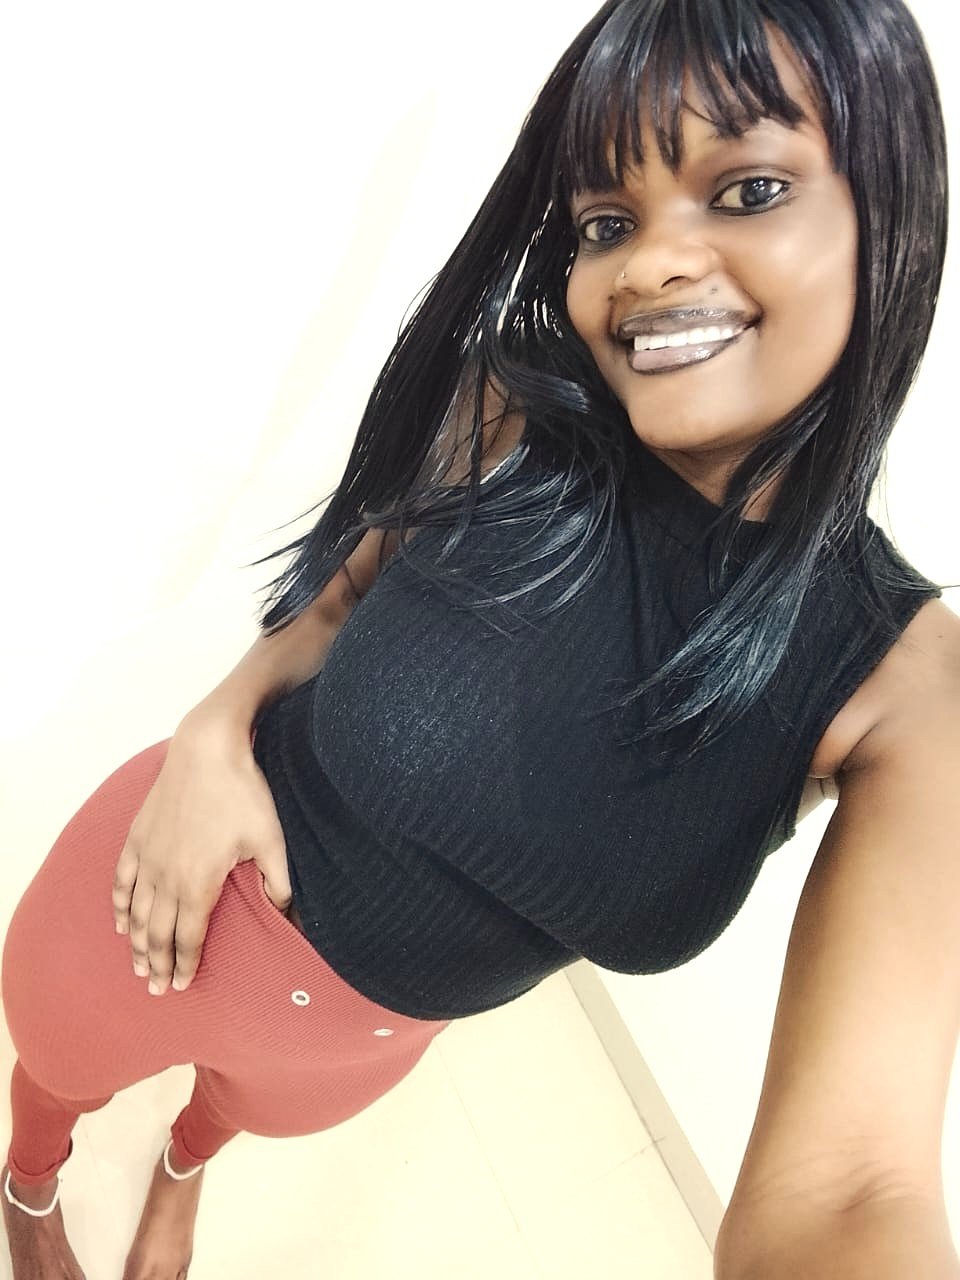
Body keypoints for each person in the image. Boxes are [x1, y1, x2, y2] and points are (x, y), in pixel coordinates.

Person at [2, 0, 957, 1276]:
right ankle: (29, 1179)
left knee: (233, 1113)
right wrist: (210, 736)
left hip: (366, 1040)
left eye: (749, 189)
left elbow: (852, 1184)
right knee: (54, 1070)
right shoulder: (517, 405)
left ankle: (184, 1165)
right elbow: (333, 603)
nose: (649, 266)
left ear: (890, 213)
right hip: (165, 876)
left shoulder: (905, 691)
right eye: (607, 222)